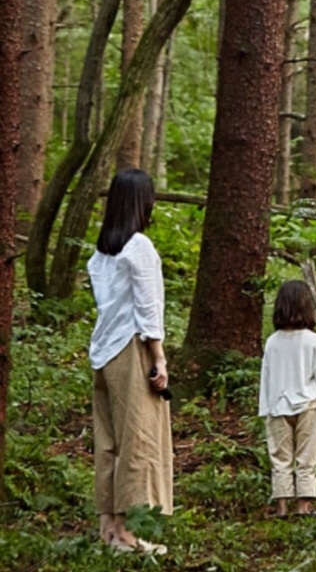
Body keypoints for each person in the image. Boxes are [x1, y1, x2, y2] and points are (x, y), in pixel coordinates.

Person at [87, 168, 172, 556]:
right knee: (137, 440)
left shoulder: (101, 254)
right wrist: (159, 357)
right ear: (142, 202)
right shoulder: (139, 247)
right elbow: (148, 307)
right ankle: (127, 534)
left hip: (103, 352)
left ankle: (108, 528)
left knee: (108, 441)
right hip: (131, 349)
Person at [258, 279, 316, 517]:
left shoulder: (272, 342)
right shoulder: (313, 340)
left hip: (277, 406)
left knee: (280, 458)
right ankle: (304, 506)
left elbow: (266, 378)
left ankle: (282, 507)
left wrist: (265, 409)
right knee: (307, 457)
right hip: (308, 405)